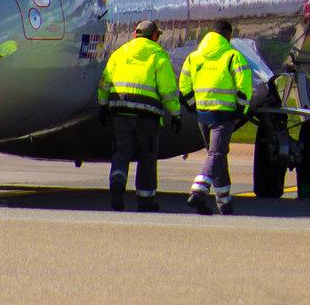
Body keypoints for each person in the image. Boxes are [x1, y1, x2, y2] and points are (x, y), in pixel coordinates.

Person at [97, 19, 178, 212]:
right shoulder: (158, 56)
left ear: (135, 34)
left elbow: (105, 81)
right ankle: (145, 200)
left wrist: (102, 105)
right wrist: (176, 114)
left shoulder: (120, 53)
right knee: (147, 157)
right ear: (155, 36)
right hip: (147, 115)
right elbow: (167, 90)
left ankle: (117, 182)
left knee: (122, 151)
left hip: (120, 111)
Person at [179, 17, 252, 215]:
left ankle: (224, 202)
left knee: (217, 155)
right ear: (228, 35)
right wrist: (241, 111)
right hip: (224, 114)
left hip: (203, 114)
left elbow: (184, 85)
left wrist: (194, 107)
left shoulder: (194, 57)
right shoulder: (232, 56)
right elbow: (244, 87)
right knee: (217, 154)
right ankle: (199, 190)